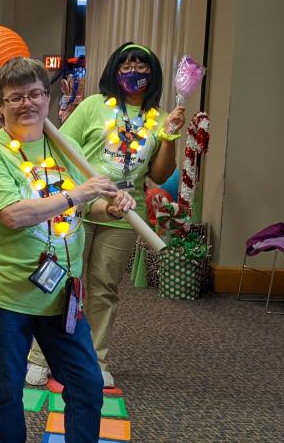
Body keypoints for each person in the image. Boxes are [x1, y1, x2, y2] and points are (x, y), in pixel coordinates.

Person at [0, 56, 135, 443]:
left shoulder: (62, 148)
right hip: (8, 293)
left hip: (62, 292)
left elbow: (79, 211)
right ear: (0, 107)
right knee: (7, 386)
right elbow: (13, 215)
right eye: (15, 97)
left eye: (35, 93)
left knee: (86, 383)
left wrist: (109, 208)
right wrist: (77, 194)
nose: (27, 103)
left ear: (48, 97)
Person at [25, 42, 185, 388]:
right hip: (79, 207)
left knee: (103, 288)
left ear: (153, 75)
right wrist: (73, 192)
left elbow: (158, 175)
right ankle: (40, 356)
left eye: (142, 67)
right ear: (113, 68)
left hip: (126, 215)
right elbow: (62, 148)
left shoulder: (157, 117)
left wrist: (169, 135)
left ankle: (93, 359)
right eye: (126, 64)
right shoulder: (93, 107)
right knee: (60, 281)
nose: (133, 72)